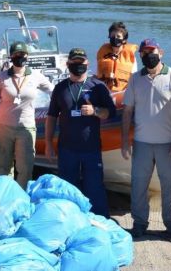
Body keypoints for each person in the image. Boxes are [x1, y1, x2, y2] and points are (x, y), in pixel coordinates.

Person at [120, 38, 171, 239]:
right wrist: (125, 141)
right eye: (144, 52)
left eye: (152, 51)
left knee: (170, 184)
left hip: (168, 144)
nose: (149, 55)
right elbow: (127, 111)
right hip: (141, 143)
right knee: (139, 185)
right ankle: (139, 223)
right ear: (140, 55)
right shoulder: (135, 79)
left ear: (161, 52)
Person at [45, 48, 116, 218]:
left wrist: (95, 110)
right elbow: (52, 116)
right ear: (68, 64)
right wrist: (48, 143)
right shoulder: (60, 88)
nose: (78, 65)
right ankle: (70, 221)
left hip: (91, 149)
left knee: (95, 188)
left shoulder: (98, 86)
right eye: (74, 63)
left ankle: (100, 221)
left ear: (87, 63)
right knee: (68, 190)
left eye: (81, 62)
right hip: (67, 148)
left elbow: (110, 112)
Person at [0, 42, 54, 189]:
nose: (19, 57)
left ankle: (21, 197)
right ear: (11, 57)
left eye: (22, 54)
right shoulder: (1, 78)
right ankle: (6, 196)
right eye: (16, 55)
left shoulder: (36, 76)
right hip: (3, 127)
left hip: (26, 127)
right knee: (5, 167)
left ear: (27, 56)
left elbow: (53, 91)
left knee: (25, 168)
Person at [95, 22, 138, 92]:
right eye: (112, 35)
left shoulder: (130, 57)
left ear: (124, 39)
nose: (115, 38)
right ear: (109, 37)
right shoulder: (102, 53)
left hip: (122, 93)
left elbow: (134, 79)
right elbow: (95, 75)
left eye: (118, 36)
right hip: (104, 91)